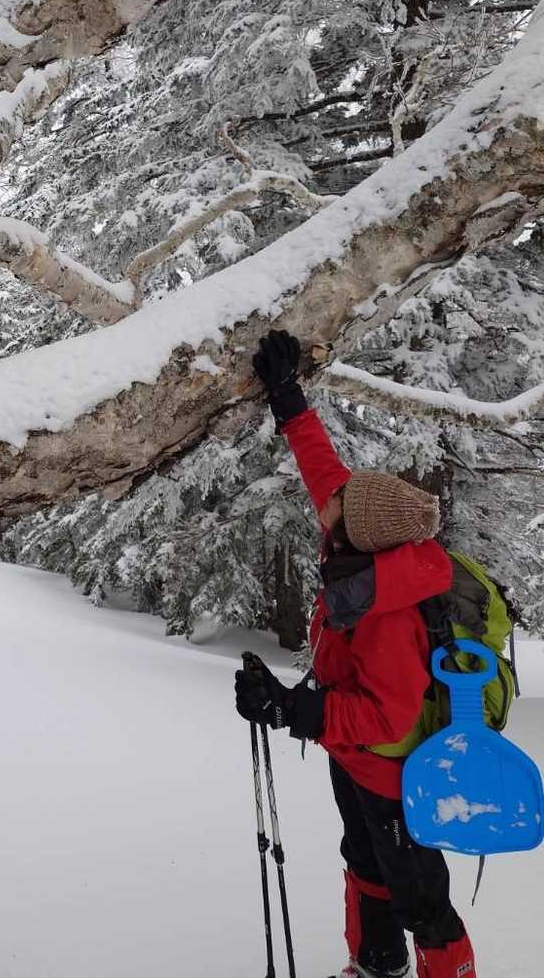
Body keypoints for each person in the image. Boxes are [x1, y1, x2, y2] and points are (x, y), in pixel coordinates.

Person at [234, 330, 476, 978]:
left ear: (355, 533)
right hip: (352, 760)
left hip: (395, 775)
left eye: (336, 504)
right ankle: (376, 963)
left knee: (421, 897)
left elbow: (386, 717)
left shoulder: (386, 612)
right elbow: (324, 469)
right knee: (365, 863)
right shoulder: (357, 546)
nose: (327, 501)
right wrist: (287, 399)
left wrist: (295, 709)